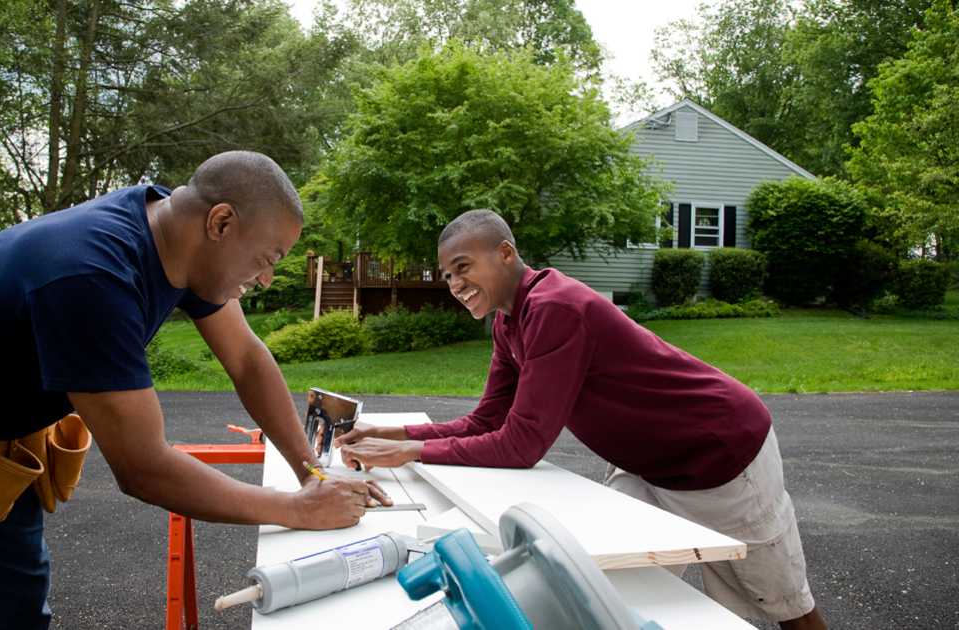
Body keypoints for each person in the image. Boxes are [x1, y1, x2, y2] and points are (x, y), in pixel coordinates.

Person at [0, 151, 389, 629]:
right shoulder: (91, 275)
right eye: (267, 258)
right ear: (221, 221)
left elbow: (246, 359)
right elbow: (143, 468)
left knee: (13, 613)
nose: (266, 277)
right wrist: (300, 509)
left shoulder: (175, 236)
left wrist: (309, 470)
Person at [334, 209, 828, 630]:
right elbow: (488, 420)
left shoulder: (555, 308)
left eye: (463, 267)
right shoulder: (509, 322)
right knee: (606, 583)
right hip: (646, 466)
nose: (455, 285)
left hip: (718, 453)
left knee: (782, 600)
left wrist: (413, 450)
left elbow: (521, 444)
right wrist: (393, 432)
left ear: (505, 253)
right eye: (447, 276)